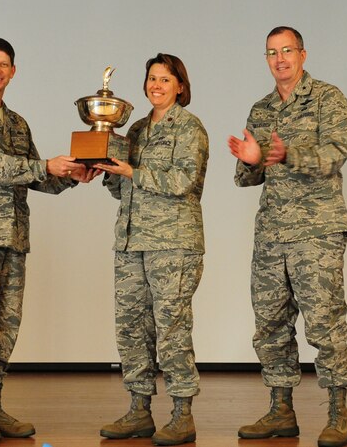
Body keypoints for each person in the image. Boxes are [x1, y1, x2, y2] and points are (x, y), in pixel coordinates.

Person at [0, 37, 99, 443]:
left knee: (4, 328)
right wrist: (43, 164)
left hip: (14, 238)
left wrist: (69, 175)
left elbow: (33, 176)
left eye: (4, 65)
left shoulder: (17, 123)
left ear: (13, 72)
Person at [228, 26, 347, 447]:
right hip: (271, 233)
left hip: (317, 230)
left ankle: (338, 412)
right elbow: (247, 177)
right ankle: (281, 409)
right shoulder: (260, 109)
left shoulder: (327, 98)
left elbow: (334, 157)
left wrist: (286, 154)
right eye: (271, 53)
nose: (279, 59)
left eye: (287, 51)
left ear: (302, 53)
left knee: (324, 323)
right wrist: (252, 160)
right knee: (270, 325)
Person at [94, 53, 209, 446]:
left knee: (172, 329)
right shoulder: (138, 129)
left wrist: (133, 172)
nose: (156, 85)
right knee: (131, 327)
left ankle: (182, 414)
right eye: (152, 79)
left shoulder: (190, 128)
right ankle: (139, 409)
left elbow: (184, 180)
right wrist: (108, 169)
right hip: (130, 242)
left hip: (172, 245)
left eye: (165, 79)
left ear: (180, 85)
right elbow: (121, 189)